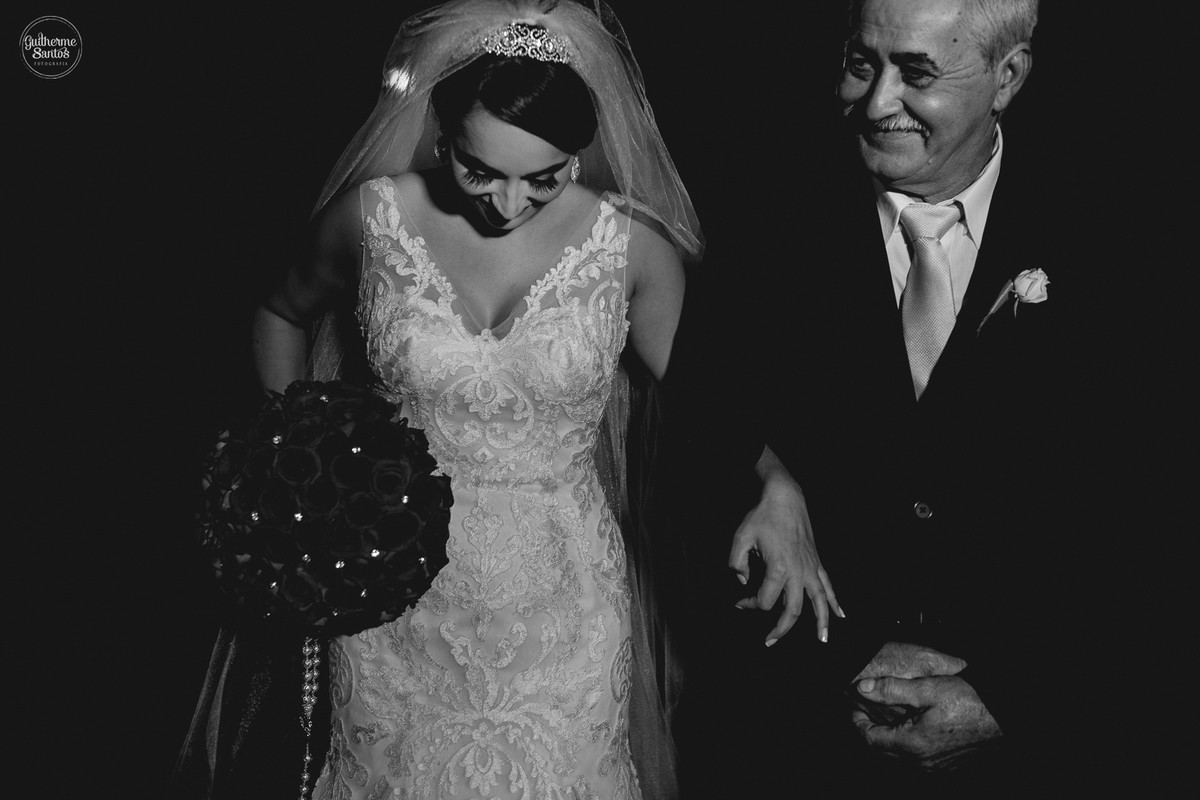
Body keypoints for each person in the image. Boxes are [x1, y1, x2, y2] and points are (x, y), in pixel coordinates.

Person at [177, 2, 837, 798]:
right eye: (479, 170)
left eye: (546, 176)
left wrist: (776, 482)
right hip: (396, 585)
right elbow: (280, 312)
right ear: (441, 136)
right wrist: (304, 448)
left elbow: (704, 398)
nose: (509, 204)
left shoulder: (633, 250)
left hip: (563, 598)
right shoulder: (373, 218)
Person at [665, 0, 1124, 795]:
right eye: (859, 63)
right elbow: (694, 437)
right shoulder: (761, 212)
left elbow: (1149, 517)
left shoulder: (1120, 227)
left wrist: (1014, 698)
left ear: (1006, 78)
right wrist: (770, 487)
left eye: (917, 74)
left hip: (1038, 747)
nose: (876, 103)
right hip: (794, 736)